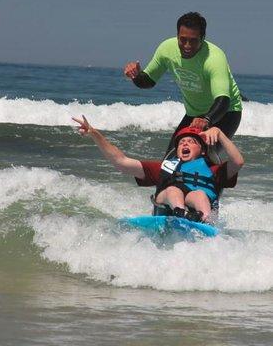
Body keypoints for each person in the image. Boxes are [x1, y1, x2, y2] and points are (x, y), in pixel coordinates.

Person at [72, 115, 244, 223]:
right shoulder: (164, 167)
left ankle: (204, 220)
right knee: (173, 190)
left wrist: (220, 134)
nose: (185, 144)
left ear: (203, 150)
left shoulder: (213, 170)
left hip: (198, 211)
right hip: (168, 206)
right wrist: (94, 134)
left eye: (191, 142)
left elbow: (238, 162)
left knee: (198, 194)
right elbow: (121, 162)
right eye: (181, 142)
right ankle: (180, 213)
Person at [124, 12, 243, 155]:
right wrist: (136, 76)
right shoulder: (166, 49)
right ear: (177, 36)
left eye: (193, 41)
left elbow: (223, 100)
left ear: (203, 38)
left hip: (226, 112)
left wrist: (206, 119)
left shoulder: (214, 58)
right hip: (194, 114)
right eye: (183, 40)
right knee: (170, 161)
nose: (187, 45)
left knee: (204, 158)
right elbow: (148, 81)